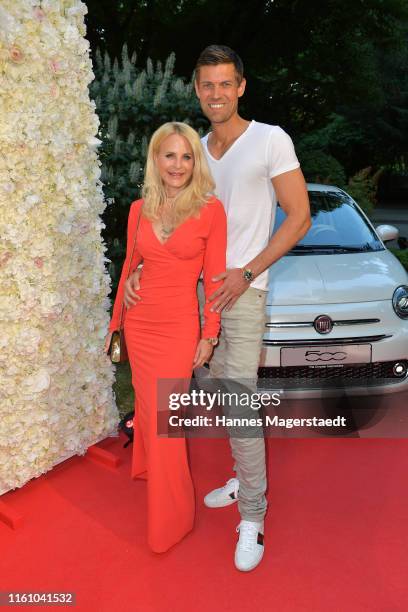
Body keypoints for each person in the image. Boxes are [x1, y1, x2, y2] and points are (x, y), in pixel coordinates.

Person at [124, 46, 311, 571]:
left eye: (225, 84)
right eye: (207, 85)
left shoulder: (270, 139)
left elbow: (299, 218)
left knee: (239, 398)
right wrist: (144, 268)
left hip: (243, 292)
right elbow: (168, 219)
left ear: (241, 87)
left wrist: (247, 272)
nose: (216, 93)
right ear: (197, 88)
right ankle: (241, 473)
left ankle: (252, 512)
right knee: (203, 391)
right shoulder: (195, 149)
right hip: (188, 299)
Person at [104, 122, 227, 553]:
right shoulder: (140, 208)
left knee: (165, 422)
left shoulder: (210, 210)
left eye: (186, 156)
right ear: (156, 160)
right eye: (169, 155)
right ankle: (148, 470)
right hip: (140, 323)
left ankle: (172, 519)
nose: (178, 165)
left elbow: (213, 280)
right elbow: (130, 264)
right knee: (149, 406)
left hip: (177, 327)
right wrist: (120, 315)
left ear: (196, 163)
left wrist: (209, 335)